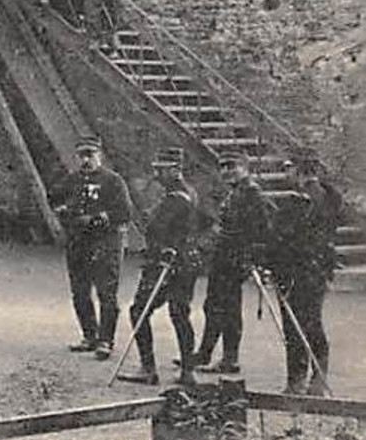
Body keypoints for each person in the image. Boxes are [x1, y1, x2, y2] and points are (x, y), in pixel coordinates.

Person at [116, 148, 210, 386]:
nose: (156, 172)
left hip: (166, 264)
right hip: (186, 262)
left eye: (162, 169)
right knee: (180, 314)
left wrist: (150, 219)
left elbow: (157, 229)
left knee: (139, 310)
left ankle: (148, 369)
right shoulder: (189, 192)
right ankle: (188, 371)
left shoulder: (175, 198)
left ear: (175, 169)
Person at [261, 147, 340, 394]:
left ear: (300, 169)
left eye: (289, 168)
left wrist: (273, 256)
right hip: (305, 270)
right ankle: (304, 380)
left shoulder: (308, 199)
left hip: (302, 270)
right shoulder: (316, 195)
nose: (286, 173)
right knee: (303, 324)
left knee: (303, 324)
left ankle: (308, 380)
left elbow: (294, 238)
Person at [48, 135, 131, 360]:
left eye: (90, 154)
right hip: (78, 242)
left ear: (99, 155)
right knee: (80, 292)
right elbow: (53, 199)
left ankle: (106, 340)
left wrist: (100, 218)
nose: (86, 160)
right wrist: (63, 211)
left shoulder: (113, 181)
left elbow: (125, 212)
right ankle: (89, 335)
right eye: (82, 155)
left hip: (105, 243)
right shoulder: (71, 180)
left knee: (106, 293)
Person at [195, 150, 271, 375]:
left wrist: (251, 258)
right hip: (223, 258)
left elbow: (261, 230)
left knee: (229, 309)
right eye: (223, 167)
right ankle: (204, 353)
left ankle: (230, 359)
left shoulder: (252, 193)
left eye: (232, 166)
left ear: (245, 168)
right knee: (212, 306)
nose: (227, 171)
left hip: (235, 259)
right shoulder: (235, 192)